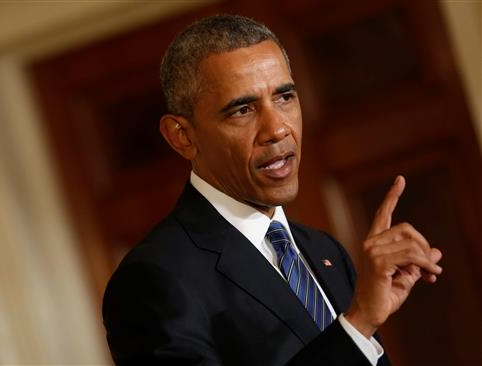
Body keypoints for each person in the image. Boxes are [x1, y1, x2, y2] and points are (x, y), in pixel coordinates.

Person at [102, 14, 442, 365]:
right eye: (243, 110)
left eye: (284, 98)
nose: (277, 129)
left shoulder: (325, 250)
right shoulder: (152, 282)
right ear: (182, 136)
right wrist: (357, 325)